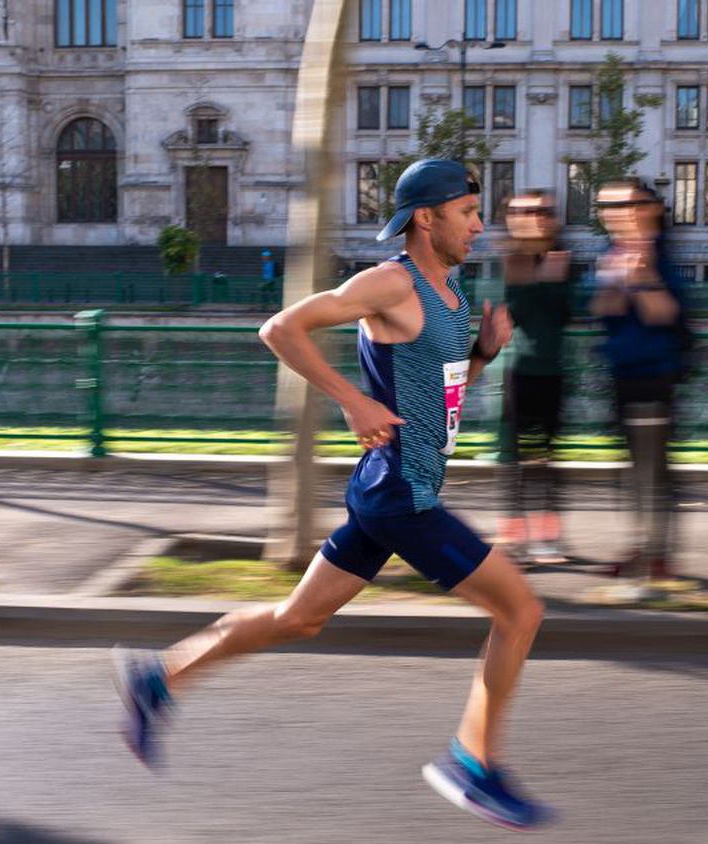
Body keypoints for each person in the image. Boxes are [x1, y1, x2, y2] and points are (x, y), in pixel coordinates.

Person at [113, 159, 554, 831]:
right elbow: (281, 328)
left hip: (390, 488)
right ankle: (472, 759)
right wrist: (350, 400)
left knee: (299, 618)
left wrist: (483, 356)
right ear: (427, 218)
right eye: (468, 211)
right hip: (404, 494)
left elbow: (435, 384)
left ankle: (158, 678)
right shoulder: (388, 282)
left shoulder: (452, 292)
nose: (479, 223)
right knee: (521, 610)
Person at [591, 179, 691, 581]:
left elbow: (665, 314)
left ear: (649, 209)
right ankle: (643, 546)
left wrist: (642, 277)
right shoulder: (611, 254)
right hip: (622, 373)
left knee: (653, 468)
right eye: (606, 207)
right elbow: (602, 311)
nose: (614, 214)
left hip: (655, 374)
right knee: (633, 468)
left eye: (624, 205)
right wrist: (615, 280)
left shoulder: (661, 256)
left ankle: (656, 554)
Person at [495, 190, 573, 565]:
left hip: (552, 371)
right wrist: (531, 276)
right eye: (524, 211)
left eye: (541, 211)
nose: (534, 217)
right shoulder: (511, 260)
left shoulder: (563, 259)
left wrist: (546, 277)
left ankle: (547, 537)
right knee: (514, 455)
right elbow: (510, 313)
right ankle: (513, 536)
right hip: (519, 371)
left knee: (545, 456)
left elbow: (567, 312)